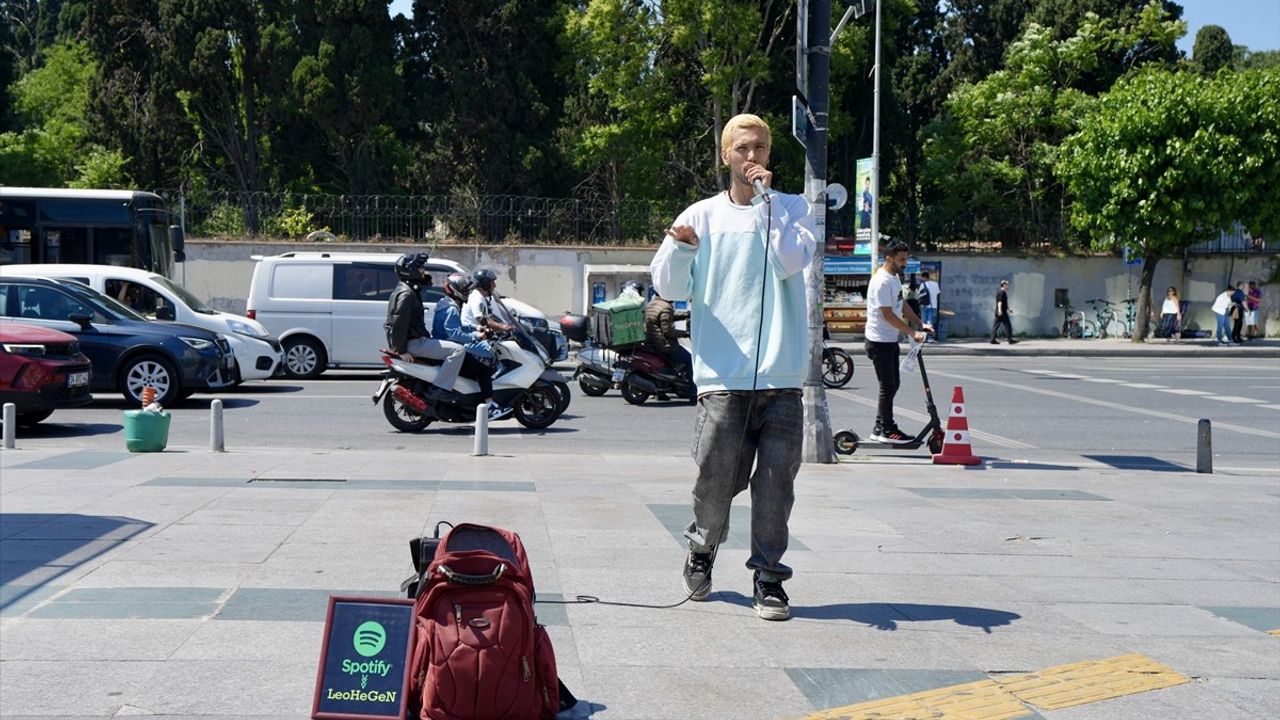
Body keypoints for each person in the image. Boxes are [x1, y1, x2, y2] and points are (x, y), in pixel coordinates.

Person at [650, 113, 816, 622]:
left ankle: (768, 578)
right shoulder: (700, 216)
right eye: (743, 148)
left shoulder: (791, 209)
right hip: (722, 377)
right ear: (725, 155)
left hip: (781, 378)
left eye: (761, 148)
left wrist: (768, 206)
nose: (753, 158)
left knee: (775, 487)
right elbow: (669, 287)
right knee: (715, 480)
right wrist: (681, 250)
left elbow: (790, 262)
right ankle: (702, 548)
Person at [865, 240, 930, 445]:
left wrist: (920, 323)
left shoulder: (894, 278)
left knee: (893, 384)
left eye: (906, 259)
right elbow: (887, 315)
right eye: (901, 260)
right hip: (878, 341)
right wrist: (911, 332)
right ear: (889, 258)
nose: (904, 263)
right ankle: (886, 429)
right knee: (888, 385)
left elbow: (901, 307)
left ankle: (880, 426)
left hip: (889, 340)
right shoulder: (882, 281)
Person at [384, 252, 466, 398]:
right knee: (458, 351)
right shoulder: (407, 294)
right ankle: (440, 390)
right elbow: (398, 323)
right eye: (420, 268)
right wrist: (401, 350)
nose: (424, 272)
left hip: (413, 340)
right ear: (411, 271)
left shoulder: (406, 290)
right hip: (413, 343)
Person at [433, 272, 505, 419]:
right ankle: (489, 406)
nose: (468, 292)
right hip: (451, 348)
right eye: (465, 289)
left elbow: (458, 328)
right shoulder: (451, 309)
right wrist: (476, 335)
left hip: (448, 346)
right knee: (483, 370)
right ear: (457, 290)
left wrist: (475, 329)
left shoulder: (446, 303)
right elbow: (455, 334)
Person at [643, 285, 691, 373]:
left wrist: (685, 315)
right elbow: (668, 331)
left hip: (652, 343)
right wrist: (686, 333)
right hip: (665, 345)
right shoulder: (666, 306)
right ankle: (691, 387)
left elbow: (666, 318)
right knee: (689, 360)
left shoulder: (651, 304)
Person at [463, 269, 516, 335]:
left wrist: (500, 324)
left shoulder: (481, 297)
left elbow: (489, 317)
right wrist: (504, 327)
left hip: (479, 334)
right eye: (492, 283)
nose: (495, 285)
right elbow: (481, 320)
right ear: (486, 284)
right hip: (472, 337)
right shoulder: (476, 298)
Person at [990, 280, 1018, 344]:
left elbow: (1003, 303)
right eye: (1007, 285)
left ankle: (992, 340)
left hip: (999, 312)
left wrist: (1008, 308)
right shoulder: (1002, 292)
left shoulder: (1001, 292)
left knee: (995, 326)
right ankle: (1010, 340)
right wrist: (1000, 310)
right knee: (1008, 326)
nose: (1008, 286)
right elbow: (999, 302)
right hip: (1002, 313)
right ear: (1004, 285)